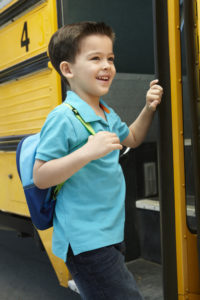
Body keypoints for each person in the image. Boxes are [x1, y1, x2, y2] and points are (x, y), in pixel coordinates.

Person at [33, 21, 163, 299]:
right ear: (68, 69)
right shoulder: (64, 117)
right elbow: (41, 176)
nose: (107, 66)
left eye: (110, 58)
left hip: (109, 233)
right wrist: (87, 151)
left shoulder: (105, 112)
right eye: (95, 59)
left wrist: (149, 107)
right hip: (85, 241)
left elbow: (132, 138)